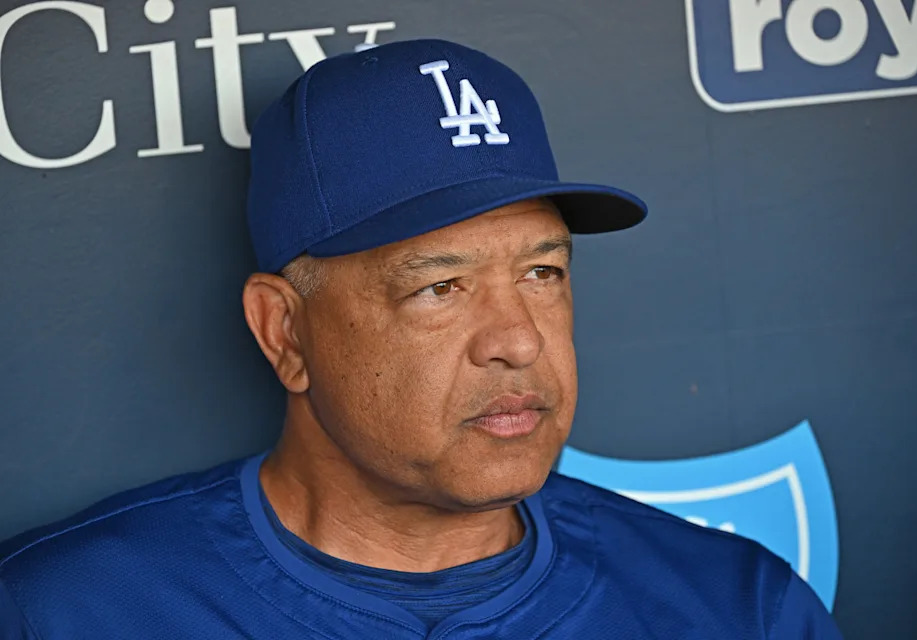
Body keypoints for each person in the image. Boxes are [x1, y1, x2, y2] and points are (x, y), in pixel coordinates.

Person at [0, 39, 842, 639]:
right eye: (439, 288)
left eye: (543, 273)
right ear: (283, 330)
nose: (517, 340)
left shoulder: (735, 608)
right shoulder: (64, 612)